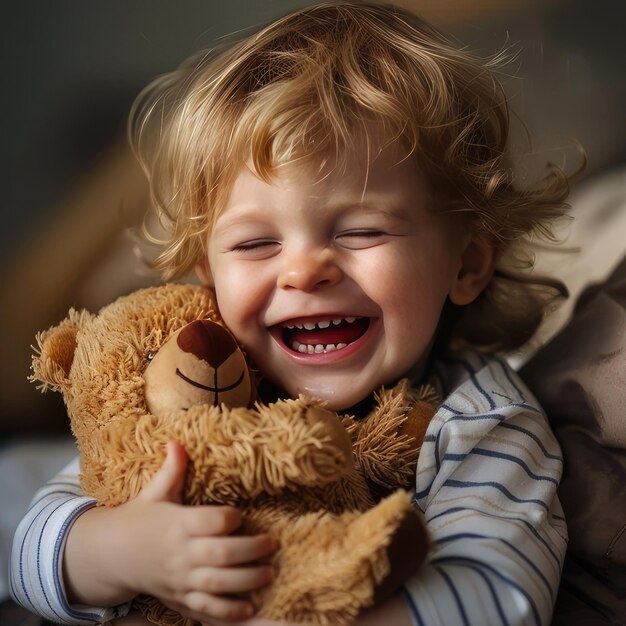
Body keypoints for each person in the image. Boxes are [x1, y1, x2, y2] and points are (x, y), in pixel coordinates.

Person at [10, 2, 573, 625]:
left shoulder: (480, 419)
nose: (304, 271)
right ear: (208, 275)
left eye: (360, 230)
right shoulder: (199, 381)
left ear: (465, 264)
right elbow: (31, 547)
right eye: (255, 244)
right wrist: (119, 553)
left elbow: (498, 595)